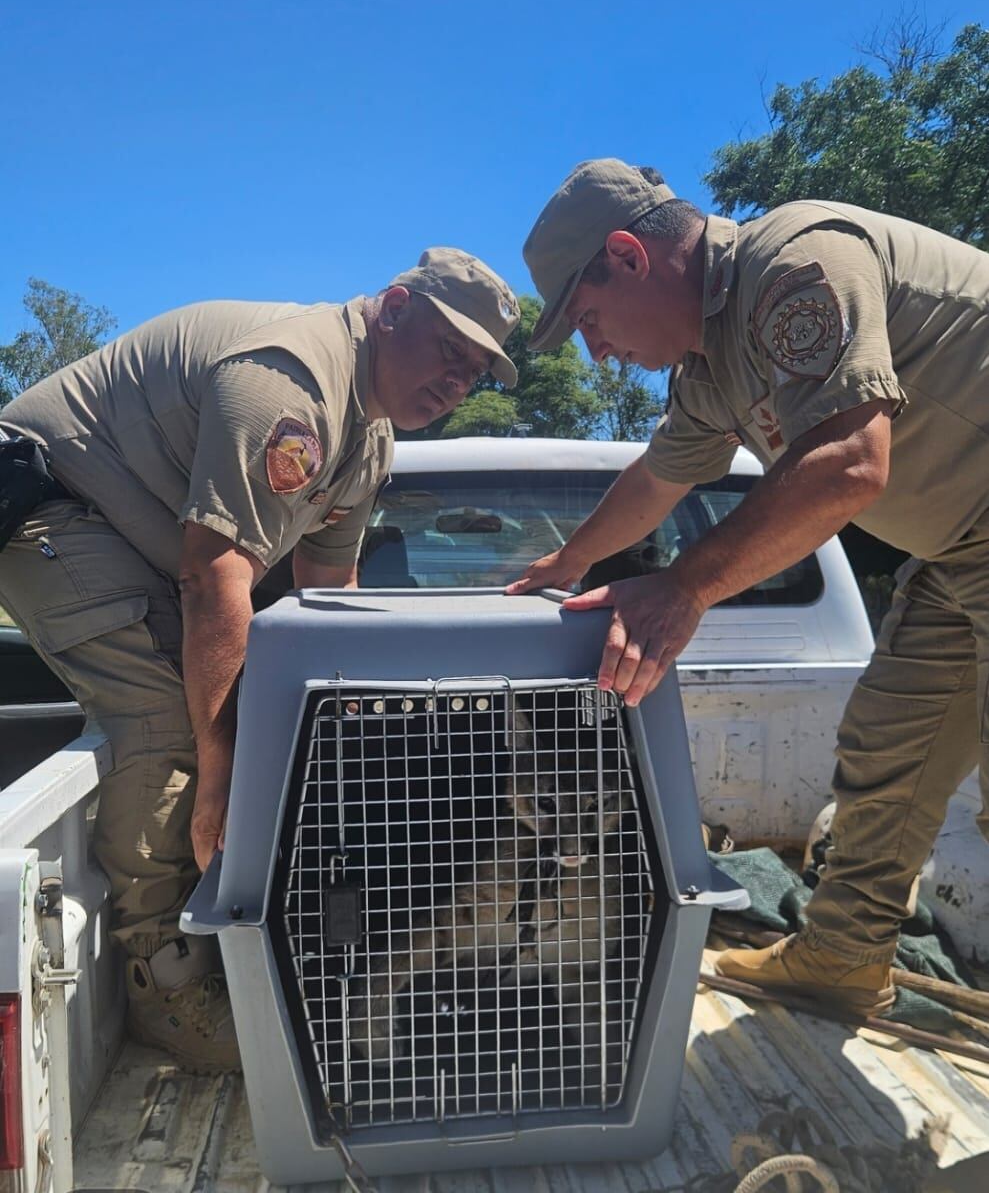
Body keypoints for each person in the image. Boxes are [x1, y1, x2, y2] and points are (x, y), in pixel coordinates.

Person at [0, 248, 520, 1068]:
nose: (458, 382)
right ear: (392, 307)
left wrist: (342, 728)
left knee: (293, 722)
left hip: (141, 537)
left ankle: (247, 931)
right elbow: (216, 578)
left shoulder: (369, 437)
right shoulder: (292, 386)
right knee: (172, 725)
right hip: (52, 508)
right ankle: (162, 985)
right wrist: (224, 779)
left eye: (477, 371)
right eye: (449, 352)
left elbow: (326, 593)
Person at [508, 157, 989, 1019]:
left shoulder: (796, 262)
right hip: (959, 554)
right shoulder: (708, 371)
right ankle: (839, 961)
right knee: (887, 756)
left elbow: (847, 465)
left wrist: (682, 588)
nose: (596, 349)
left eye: (586, 319)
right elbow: (658, 479)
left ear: (627, 255)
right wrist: (562, 567)